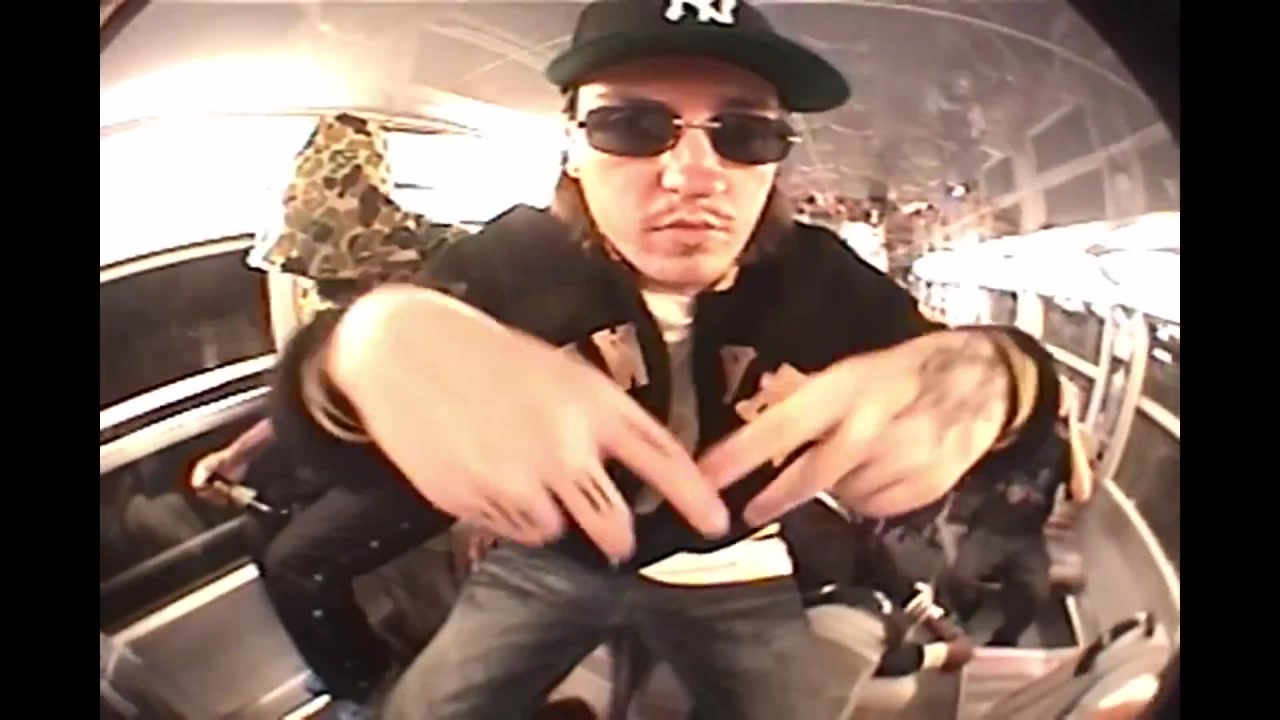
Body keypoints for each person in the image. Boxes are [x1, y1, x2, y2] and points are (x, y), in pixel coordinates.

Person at [269, 0, 1063, 717]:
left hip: (733, 566)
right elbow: (355, 422)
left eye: (744, 134)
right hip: (553, 560)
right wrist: (350, 354)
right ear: (572, 146)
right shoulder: (511, 260)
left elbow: (967, 389)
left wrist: (1009, 380)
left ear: (776, 159)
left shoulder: (823, 279)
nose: (692, 175)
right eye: (630, 125)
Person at [943, 378, 1093, 647]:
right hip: (988, 527)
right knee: (960, 578)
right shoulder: (1017, 431)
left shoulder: (1064, 448)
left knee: (1036, 591)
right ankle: (967, 611)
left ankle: (1005, 639)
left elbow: (1082, 493)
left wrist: (1073, 430)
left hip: (1028, 536)